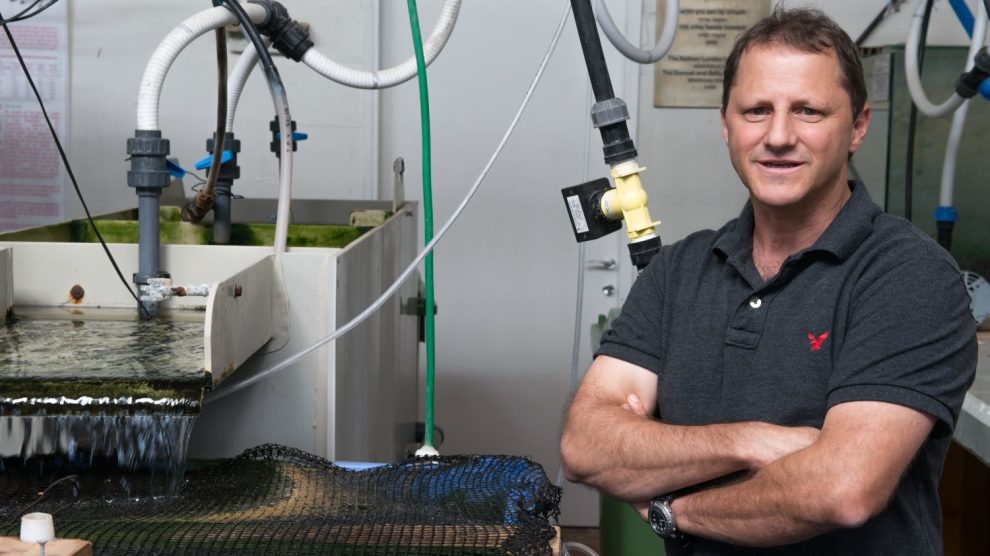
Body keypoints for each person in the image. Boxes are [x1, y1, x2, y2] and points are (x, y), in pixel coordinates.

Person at [559, 8, 977, 555]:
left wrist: (674, 511)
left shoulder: (908, 275)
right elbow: (585, 446)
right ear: (726, 124)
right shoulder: (678, 271)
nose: (778, 136)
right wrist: (754, 442)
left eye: (808, 111)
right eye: (757, 110)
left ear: (858, 126)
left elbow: (842, 491)